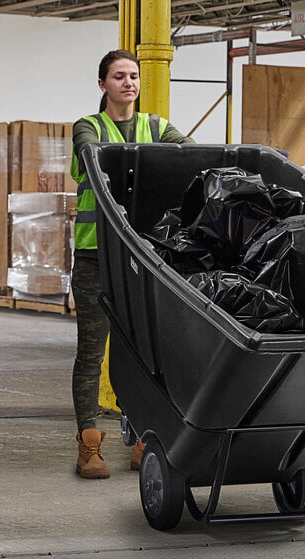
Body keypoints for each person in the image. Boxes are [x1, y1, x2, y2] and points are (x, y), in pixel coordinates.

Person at [70, 49, 194, 479]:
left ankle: (146, 438)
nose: (129, 83)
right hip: (95, 257)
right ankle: (89, 444)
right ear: (102, 84)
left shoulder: (156, 126)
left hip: (141, 259)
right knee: (92, 350)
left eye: (134, 76)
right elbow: (94, 156)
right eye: (119, 76)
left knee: (146, 353)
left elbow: (192, 156)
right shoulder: (89, 127)